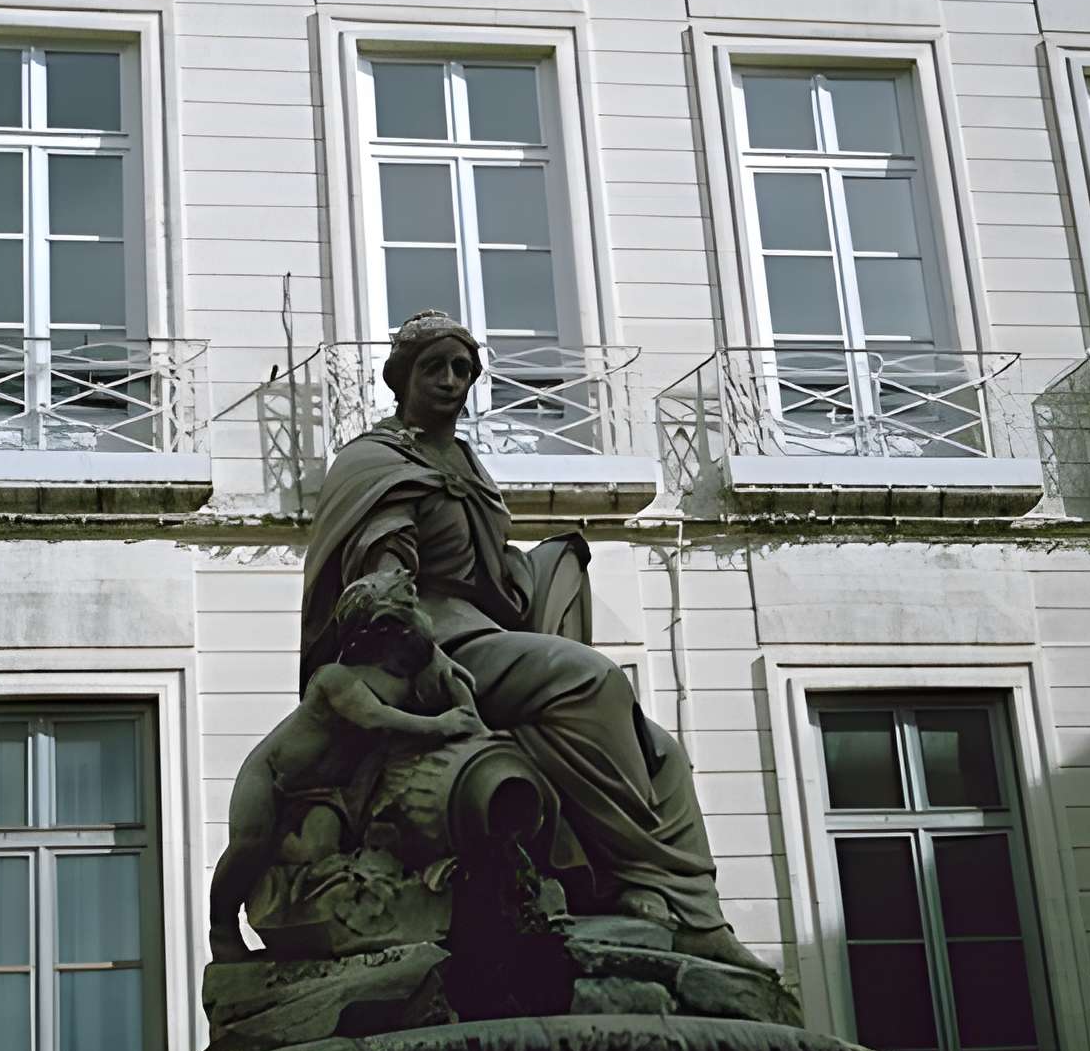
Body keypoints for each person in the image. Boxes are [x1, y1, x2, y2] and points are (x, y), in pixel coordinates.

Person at [300, 310, 752, 964]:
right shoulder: (376, 460)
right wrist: (412, 640)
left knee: (663, 754)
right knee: (590, 678)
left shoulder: (466, 463)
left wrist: (535, 571)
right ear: (401, 378)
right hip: (431, 650)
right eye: (435, 367)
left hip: (487, 634)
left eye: (463, 368)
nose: (452, 380)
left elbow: (494, 581)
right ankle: (644, 881)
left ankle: (697, 915)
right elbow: (381, 579)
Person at [209, 575, 482, 959]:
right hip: (271, 776)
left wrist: (453, 681)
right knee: (249, 847)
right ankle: (221, 925)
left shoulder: (402, 677)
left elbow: (452, 682)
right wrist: (441, 725)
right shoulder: (335, 678)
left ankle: (302, 911)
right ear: (382, 630)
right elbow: (374, 717)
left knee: (319, 852)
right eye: (406, 619)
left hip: (327, 790)